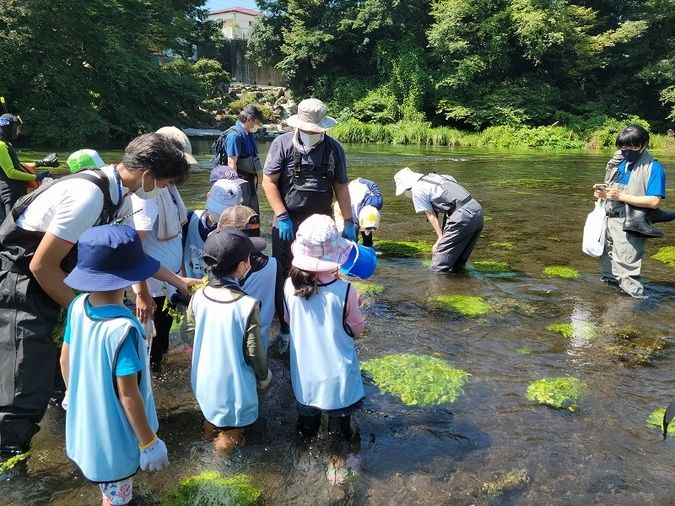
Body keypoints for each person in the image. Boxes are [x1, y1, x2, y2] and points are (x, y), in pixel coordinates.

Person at [0, 132, 190, 456]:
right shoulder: (88, 194)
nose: (163, 191)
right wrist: (85, 314)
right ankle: (12, 466)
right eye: (166, 183)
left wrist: (178, 281)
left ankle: (71, 439)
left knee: (64, 372)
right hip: (23, 285)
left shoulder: (118, 192)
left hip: (56, 279)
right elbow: (42, 266)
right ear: (148, 176)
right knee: (22, 385)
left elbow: (127, 256)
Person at [60, 224, 168, 506]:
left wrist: (72, 395)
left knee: (106, 485)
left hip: (88, 424)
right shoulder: (123, 329)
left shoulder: (78, 306)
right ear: (129, 277)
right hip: (114, 436)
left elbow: (64, 358)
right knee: (117, 498)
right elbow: (128, 395)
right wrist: (148, 442)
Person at [187, 228, 272, 453]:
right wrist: (264, 377)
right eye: (249, 258)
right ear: (242, 266)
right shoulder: (247, 305)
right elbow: (254, 351)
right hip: (232, 386)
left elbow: (189, 333)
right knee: (232, 431)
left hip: (203, 378)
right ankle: (216, 470)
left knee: (210, 417)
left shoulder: (198, 296)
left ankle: (206, 442)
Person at [284, 214, 365, 438]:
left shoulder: (288, 286)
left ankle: (303, 467)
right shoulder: (346, 290)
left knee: (306, 432)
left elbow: (290, 321)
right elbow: (356, 329)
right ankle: (339, 469)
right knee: (339, 436)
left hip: (305, 379)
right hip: (338, 382)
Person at [127, 126, 198, 375]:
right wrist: (142, 292)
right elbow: (133, 247)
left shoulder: (166, 188)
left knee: (162, 337)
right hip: (152, 285)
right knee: (150, 343)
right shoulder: (147, 196)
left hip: (167, 279)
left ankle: (156, 377)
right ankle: (150, 386)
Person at [262, 98, 357, 276]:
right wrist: (282, 216)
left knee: (322, 273)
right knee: (284, 271)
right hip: (287, 220)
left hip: (322, 225)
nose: (310, 132)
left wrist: (349, 222)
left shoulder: (335, 149)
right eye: (307, 129)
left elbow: (342, 188)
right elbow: (269, 182)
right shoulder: (282, 144)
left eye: (315, 130)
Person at [594, 125, 667, 298]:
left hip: (630, 225)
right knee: (608, 270)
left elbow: (654, 202)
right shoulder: (619, 163)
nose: (628, 151)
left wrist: (620, 196)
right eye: (624, 147)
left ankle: (635, 308)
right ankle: (611, 302)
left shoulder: (653, 168)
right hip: (609, 221)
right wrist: (602, 193)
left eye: (633, 147)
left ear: (644, 144)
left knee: (626, 273)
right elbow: (613, 193)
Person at [217, 205, 290, 351]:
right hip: (259, 345)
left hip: (226, 344)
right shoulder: (274, 265)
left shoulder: (219, 269)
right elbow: (279, 302)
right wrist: (284, 330)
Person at [394, 167, 484, 272]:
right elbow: (452, 204)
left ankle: (438, 287)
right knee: (459, 263)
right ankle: (461, 286)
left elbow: (430, 214)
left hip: (462, 215)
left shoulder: (418, 189)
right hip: (477, 210)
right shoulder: (438, 176)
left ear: (407, 187)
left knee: (438, 266)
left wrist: (440, 238)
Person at [0, 113, 56, 221]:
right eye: (17, 128)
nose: (18, 131)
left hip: (15, 190)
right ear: (8, 127)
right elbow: (11, 172)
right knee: (11, 225)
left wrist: (40, 163)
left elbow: (17, 165)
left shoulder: (6, 144)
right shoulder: (1, 146)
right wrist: (36, 177)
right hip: (9, 193)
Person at [182, 179, 242, 279]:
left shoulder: (237, 231)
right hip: (190, 284)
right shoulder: (189, 219)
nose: (219, 216)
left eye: (223, 212)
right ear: (207, 197)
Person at [211, 105, 264, 214]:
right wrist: (234, 187)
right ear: (249, 120)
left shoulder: (248, 134)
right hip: (239, 179)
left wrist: (255, 179)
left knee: (253, 211)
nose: (258, 126)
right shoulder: (234, 136)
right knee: (242, 213)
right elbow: (232, 162)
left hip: (249, 178)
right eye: (257, 122)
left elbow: (252, 158)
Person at [334, 177, 382, 247]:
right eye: (369, 228)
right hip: (342, 205)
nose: (370, 229)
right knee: (344, 238)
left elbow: (374, 188)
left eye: (372, 228)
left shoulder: (378, 202)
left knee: (366, 237)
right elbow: (353, 229)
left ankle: (367, 245)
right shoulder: (353, 213)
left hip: (363, 188)